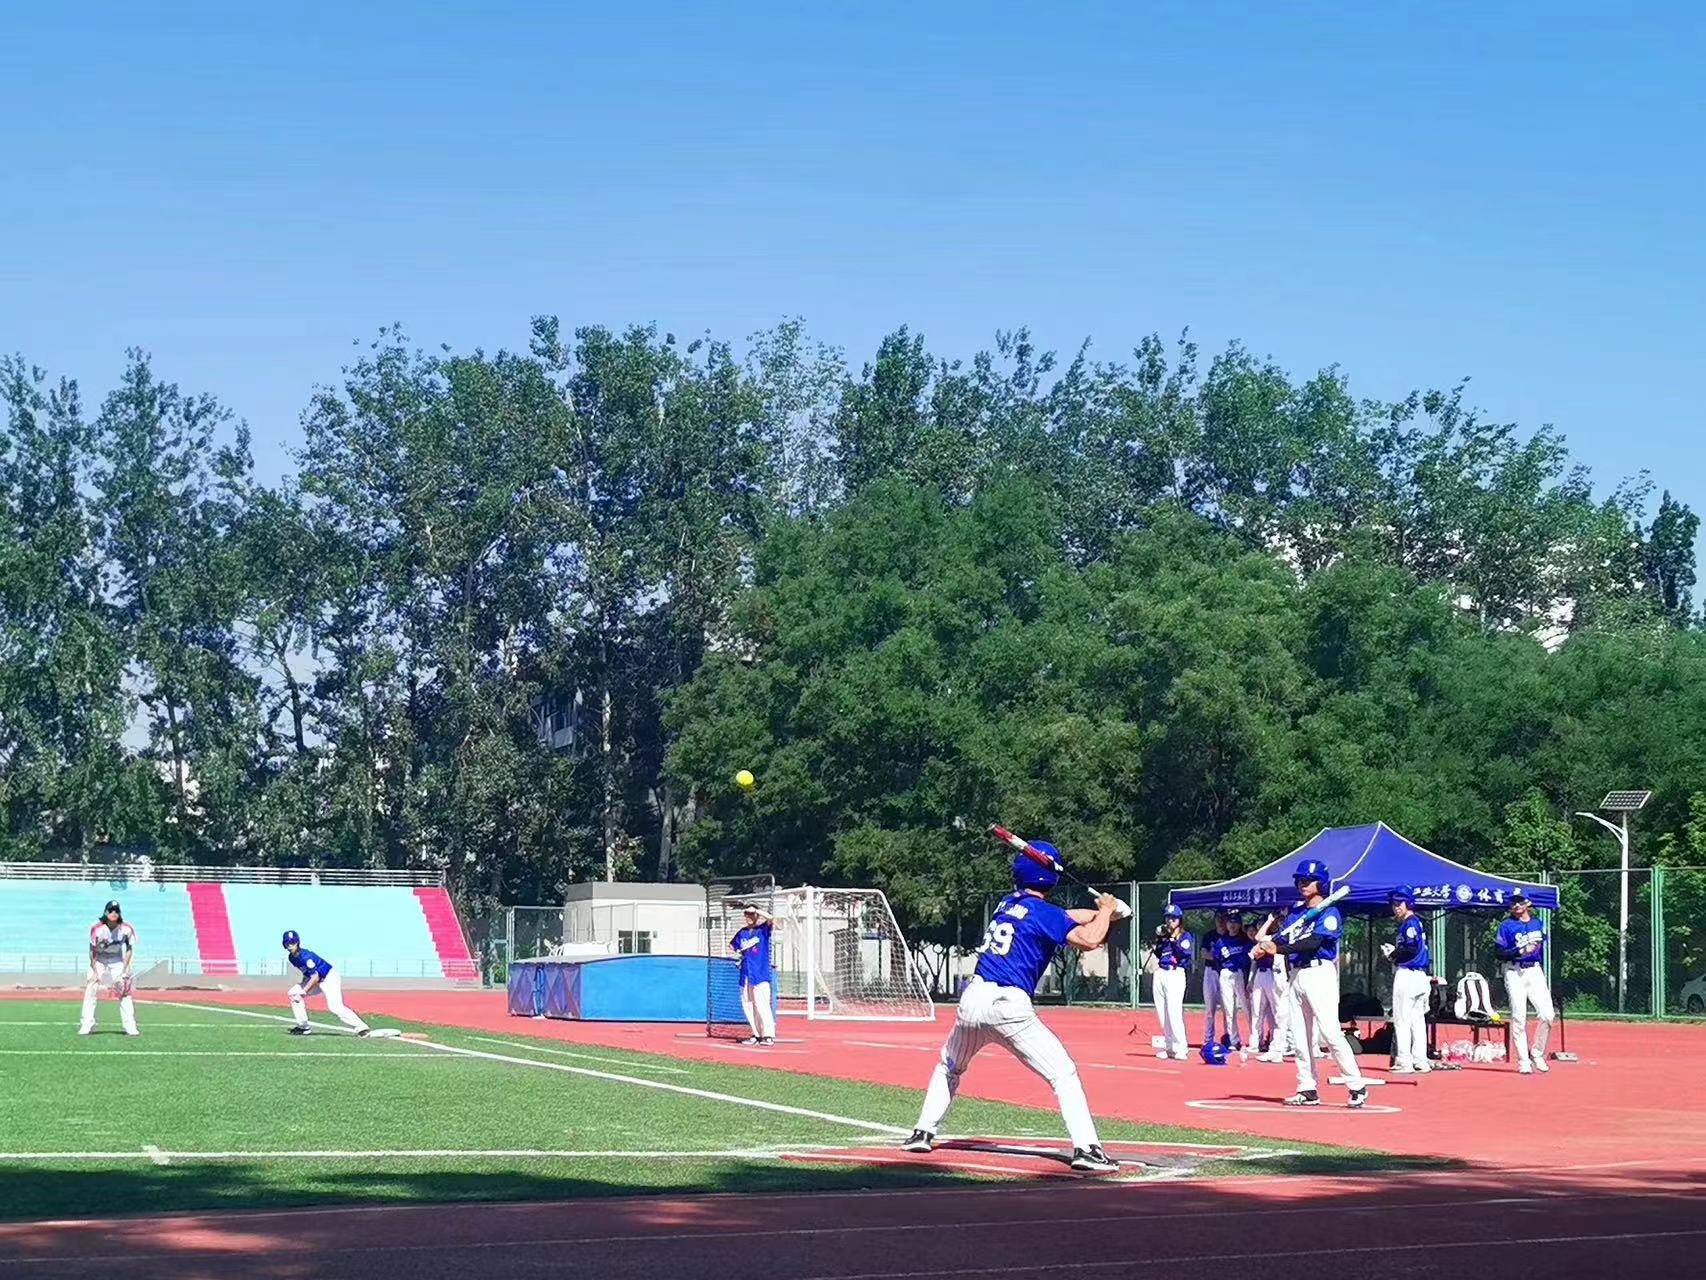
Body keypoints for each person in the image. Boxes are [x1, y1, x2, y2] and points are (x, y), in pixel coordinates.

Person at [903, 840, 1121, 1173]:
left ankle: (922, 1132)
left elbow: (1068, 918)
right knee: (1063, 1074)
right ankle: (1087, 1150)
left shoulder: (1007, 904)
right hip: (1009, 1006)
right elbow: (1089, 939)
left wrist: (1106, 912)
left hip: (972, 1000)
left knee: (949, 1066)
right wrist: (1105, 912)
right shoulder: (1044, 914)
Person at [1251, 859, 1369, 1108]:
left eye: (1309, 880)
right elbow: (1283, 939)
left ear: (1321, 883)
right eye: (1300, 880)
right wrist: (1268, 946)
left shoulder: (1329, 912)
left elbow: (1313, 942)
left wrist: (1278, 949)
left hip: (1319, 973)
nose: (1303, 884)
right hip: (1296, 974)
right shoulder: (1296, 913)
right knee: (1300, 1036)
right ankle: (1307, 1087)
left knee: (1330, 1032)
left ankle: (1356, 1084)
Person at [1493, 890, 1554, 1074]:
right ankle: (1523, 1060)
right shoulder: (1506, 925)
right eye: (1513, 902)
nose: (1516, 905)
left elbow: (1541, 944)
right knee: (1519, 1017)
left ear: (1528, 903)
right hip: (1514, 971)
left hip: (1534, 970)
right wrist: (1519, 951)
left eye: (1519, 901)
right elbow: (1499, 953)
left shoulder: (1537, 923)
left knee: (1547, 1014)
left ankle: (1537, 1052)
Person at [282, 930, 370, 1035]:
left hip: (329, 978)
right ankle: (303, 1027)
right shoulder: (292, 958)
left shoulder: (305, 957)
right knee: (293, 993)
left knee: (335, 1007)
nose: (290, 945)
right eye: (287, 943)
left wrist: (304, 991)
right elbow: (307, 973)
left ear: (297, 943)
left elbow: (315, 976)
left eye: (293, 942)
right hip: (317, 980)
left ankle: (362, 1027)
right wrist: (303, 985)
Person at [1384, 886, 1432, 1074]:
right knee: (1417, 1020)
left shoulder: (1409, 923)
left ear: (1408, 903)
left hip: (1408, 974)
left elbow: (1410, 948)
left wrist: (1393, 954)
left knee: (1402, 1019)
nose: (1396, 907)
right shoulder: (1415, 922)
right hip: (1420, 975)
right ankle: (1420, 1060)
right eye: (1394, 904)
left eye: (1399, 903)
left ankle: (1404, 1060)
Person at [79, 899, 138, 1036]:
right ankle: (87, 1025)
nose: (114, 913)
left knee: (124, 990)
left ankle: (130, 1026)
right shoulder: (97, 928)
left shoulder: (126, 928)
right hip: (99, 959)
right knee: (91, 988)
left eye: (116, 911)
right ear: (105, 912)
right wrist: (95, 972)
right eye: (111, 910)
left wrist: (124, 970)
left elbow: (129, 949)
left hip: (116, 959)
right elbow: (92, 950)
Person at [729, 904, 777, 1046]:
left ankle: (768, 1035)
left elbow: (772, 919)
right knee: (749, 1005)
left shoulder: (762, 930)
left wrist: (757, 911)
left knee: (762, 1004)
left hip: (760, 974)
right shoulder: (742, 932)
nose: (749, 917)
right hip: (746, 974)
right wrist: (739, 953)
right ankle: (756, 1035)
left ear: (757, 915)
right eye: (747, 914)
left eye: (752, 914)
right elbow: (732, 945)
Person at [1150, 904, 1192, 1059]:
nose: (1170, 921)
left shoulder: (1185, 936)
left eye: (1173, 919)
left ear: (1179, 920)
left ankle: (1181, 1047)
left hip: (1175, 972)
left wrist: (1173, 939)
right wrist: (1160, 938)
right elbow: (1158, 953)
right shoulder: (1165, 936)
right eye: (1168, 918)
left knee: (1174, 1011)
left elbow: (1183, 953)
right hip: (1161, 971)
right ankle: (1170, 1048)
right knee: (1162, 1012)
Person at [1246, 915, 1289, 1063]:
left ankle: (1277, 1044)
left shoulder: (1279, 936)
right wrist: (1268, 921)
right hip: (1261, 973)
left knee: (1278, 1011)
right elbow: (1258, 940)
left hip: (1275, 975)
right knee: (1257, 1010)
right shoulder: (1266, 937)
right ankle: (1255, 1043)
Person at [1214, 910, 1251, 1053]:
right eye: (1230, 922)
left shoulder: (1244, 940)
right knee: (1229, 1009)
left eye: (1235, 922)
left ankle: (1255, 1038)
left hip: (1240, 973)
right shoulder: (1221, 941)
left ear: (1240, 924)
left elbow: (1248, 959)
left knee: (1247, 1007)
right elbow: (1216, 958)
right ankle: (1233, 1040)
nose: (1232, 925)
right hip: (1226, 972)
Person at [1200, 911, 1229, 1050]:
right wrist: (1216, 956)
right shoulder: (1209, 935)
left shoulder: (1230, 935)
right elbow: (1203, 953)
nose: (1221, 921)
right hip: (1211, 971)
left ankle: (1229, 1037)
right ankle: (1208, 1039)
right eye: (1218, 918)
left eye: (1223, 918)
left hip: (1226, 972)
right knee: (1210, 1008)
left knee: (1227, 1008)